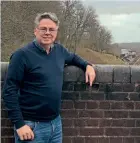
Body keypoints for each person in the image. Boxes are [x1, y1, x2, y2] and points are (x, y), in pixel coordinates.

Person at [2, 12, 96, 143]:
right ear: (35, 31)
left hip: (55, 124)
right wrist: (19, 125)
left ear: (56, 32)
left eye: (51, 29)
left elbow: (73, 57)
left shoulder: (59, 51)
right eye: (43, 29)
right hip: (31, 127)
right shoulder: (21, 55)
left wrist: (88, 65)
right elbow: (9, 91)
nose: (47, 32)